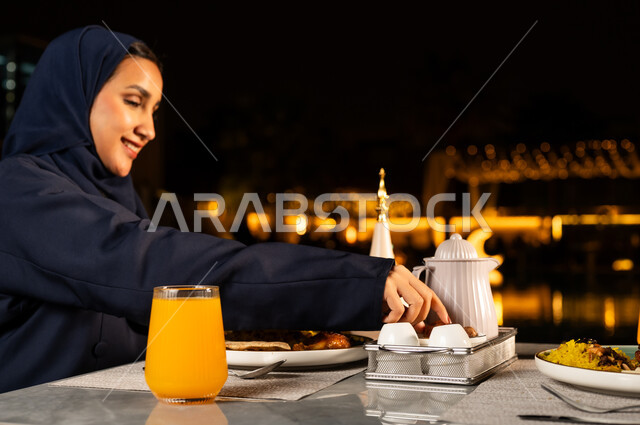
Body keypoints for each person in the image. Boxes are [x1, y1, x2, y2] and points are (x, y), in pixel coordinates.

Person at [0, 25, 449, 393]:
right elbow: (156, 266)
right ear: (73, 96)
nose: (149, 129)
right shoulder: (17, 194)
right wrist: (359, 283)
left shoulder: (113, 198)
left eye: (155, 110)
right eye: (133, 102)